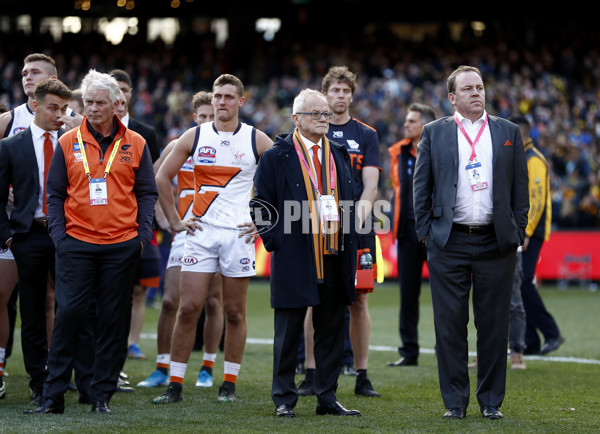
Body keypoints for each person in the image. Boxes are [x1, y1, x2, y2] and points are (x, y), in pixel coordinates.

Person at [25, 69, 157, 414]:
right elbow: (54, 194)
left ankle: (101, 395)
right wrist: (60, 236)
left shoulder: (137, 143)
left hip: (121, 245)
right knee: (69, 314)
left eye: (100, 102)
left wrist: (141, 237)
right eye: (88, 102)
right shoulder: (67, 141)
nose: (93, 108)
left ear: (117, 104)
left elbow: (146, 192)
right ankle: (53, 396)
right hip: (76, 242)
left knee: (113, 321)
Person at [413, 65, 529, 420]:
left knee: (494, 326)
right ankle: (455, 402)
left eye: (479, 87)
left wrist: (518, 230)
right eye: (468, 89)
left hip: (497, 243)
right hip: (449, 243)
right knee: (449, 327)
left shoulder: (508, 131)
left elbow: (521, 192)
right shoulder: (434, 133)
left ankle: (491, 401)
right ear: (452, 98)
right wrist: (427, 235)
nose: (476, 93)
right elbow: (422, 187)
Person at [152, 74, 272, 405]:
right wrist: (175, 222)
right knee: (188, 307)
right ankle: (174, 384)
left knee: (234, 311)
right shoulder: (195, 135)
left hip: (238, 235)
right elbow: (162, 177)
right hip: (200, 233)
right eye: (217, 96)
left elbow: (285, 178)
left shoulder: (255, 138)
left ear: (241, 102)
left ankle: (228, 384)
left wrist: (263, 221)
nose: (221, 101)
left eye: (228, 97)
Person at [252, 88, 360, 418]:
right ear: (296, 119)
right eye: (317, 114)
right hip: (295, 254)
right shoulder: (277, 155)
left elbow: (348, 202)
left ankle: (326, 396)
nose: (324, 119)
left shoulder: (339, 153)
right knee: (288, 332)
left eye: (326, 113)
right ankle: (284, 398)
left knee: (331, 329)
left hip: (334, 252)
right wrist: (277, 242)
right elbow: (259, 205)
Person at [0, 53, 83, 405]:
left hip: (68, 231)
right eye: (23, 72)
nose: (26, 77)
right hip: (24, 231)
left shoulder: (77, 130)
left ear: (53, 78)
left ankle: (73, 374)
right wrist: (6, 233)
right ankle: (26, 375)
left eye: (35, 72)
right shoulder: (7, 123)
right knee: (22, 304)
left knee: (70, 305)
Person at [137, 90, 225, 389]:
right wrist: (165, 220)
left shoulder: (230, 147)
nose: (206, 121)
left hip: (220, 233)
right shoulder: (181, 145)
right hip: (186, 232)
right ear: (194, 118)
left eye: (211, 117)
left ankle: (207, 367)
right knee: (171, 300)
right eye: (201, 116)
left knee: (213, 302)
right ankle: (163, 367)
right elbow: (150, 178)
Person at [110, 69, 161, 364]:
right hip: (105, 224)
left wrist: (150, 222)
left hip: (139, 225)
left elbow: (151, 182)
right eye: (114, 89)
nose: (120, 95)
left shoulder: (146, 133)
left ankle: (132, 343)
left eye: (125, 90)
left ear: (130, 94)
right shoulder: (86, 130)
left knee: (140, 289)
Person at [509, 115, 564, 356]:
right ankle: (530, 341)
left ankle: (551, 332)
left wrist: (527, 231)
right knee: (519, 284)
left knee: (522, 282)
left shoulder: (535, 159)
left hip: (532, 230)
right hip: (523, 228)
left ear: (520, 134)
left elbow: (537, 197)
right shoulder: (522, 157)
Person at [386, 103, 436, 368]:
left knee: (444, 294)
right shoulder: (399, 151)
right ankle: (409, 351)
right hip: (407, 233)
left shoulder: (439, 147)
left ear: (425, 125)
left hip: (436, 233)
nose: (406, 125)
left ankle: (446, 349)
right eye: (406, 120)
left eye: (412, 121)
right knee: (408, 295)